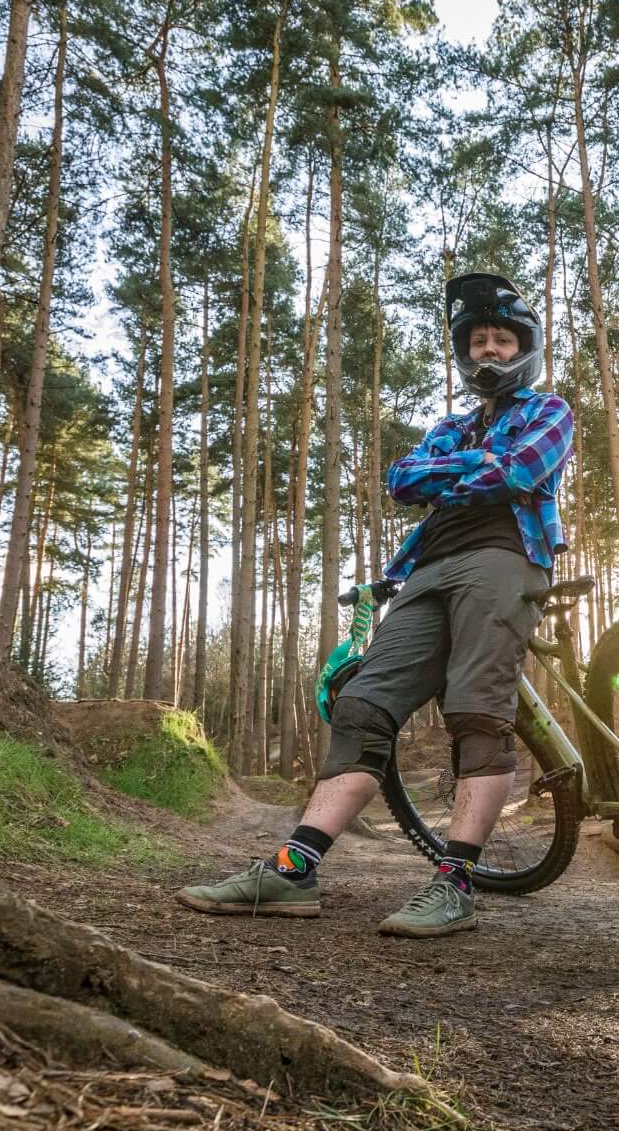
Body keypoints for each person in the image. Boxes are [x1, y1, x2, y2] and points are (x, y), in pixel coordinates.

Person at [175, 272, 573, 938]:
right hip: (428, 567)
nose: (490, 352)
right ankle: (292, 869)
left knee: (477, 712)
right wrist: (472, 466)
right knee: (364, 705)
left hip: (505, 555)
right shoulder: (451, 424)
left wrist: (453, 474)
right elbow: (401, 477)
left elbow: (522, 470)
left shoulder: (548, 409)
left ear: (523, 347)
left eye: (502, 340)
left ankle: (454, 884)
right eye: (478, 342)